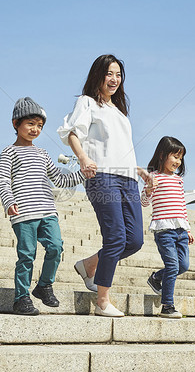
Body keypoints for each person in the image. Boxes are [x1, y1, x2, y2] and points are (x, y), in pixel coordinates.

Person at [57, 54, 153, 317]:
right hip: (102, 177)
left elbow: (118, 149)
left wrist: (139, 171)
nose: (114, 79)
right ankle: (102, 301)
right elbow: (73, 133)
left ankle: (89, 265)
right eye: (109, 73)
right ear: (98, 75)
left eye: (119, 74)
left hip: (128, 179)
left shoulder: (120, 112)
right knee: (115, 237)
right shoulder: (87, 102)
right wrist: (83, 157)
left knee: (133, 241)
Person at [0, 97, 87, 316]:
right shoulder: (9, 152)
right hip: (24, 212)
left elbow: (60, 179)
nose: (35, 129)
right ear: (16, 123)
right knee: (27, 254)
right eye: (30, 124)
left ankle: (44, 285)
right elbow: (2, 180)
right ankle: (21, 298)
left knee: (56, 247)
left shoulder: (42, 153)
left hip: (47, 210)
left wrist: (83, 174)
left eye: (39, 125)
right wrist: (9, 201)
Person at [141, 136, 195, 319]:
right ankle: (167, 305)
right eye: (175, 157)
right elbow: (143, 202)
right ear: (162, 155)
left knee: (183, 265)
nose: (178, 162)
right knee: (172, 265)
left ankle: (156, 277)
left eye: (180, 158)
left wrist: (187, 229)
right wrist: (148, 189)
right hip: (163, 230)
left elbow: (181, 205)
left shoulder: (179, 180)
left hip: (180, 229)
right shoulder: (153, 177)